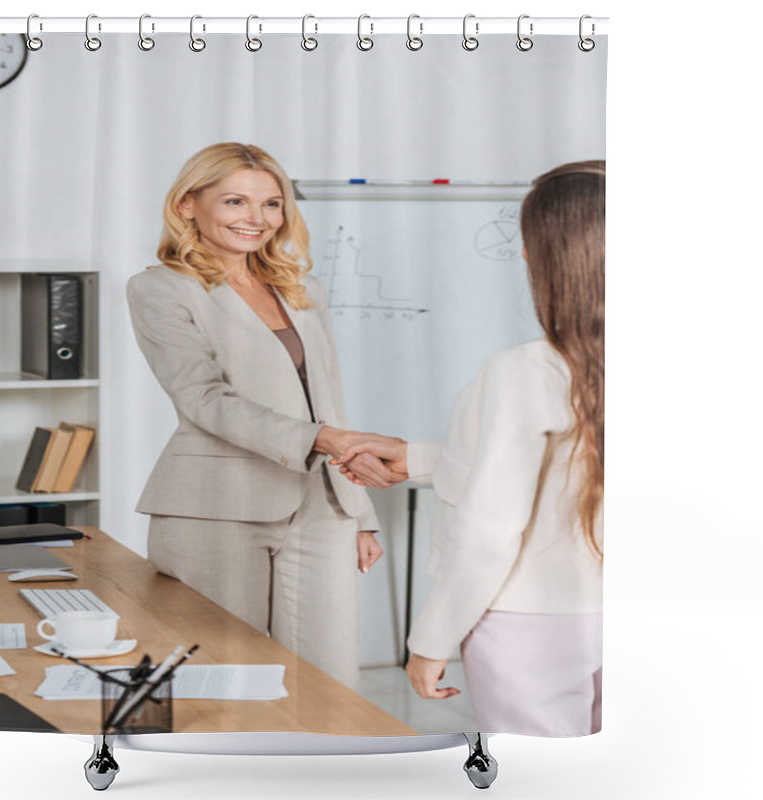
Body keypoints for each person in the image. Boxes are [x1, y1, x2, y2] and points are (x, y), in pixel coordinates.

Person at [334, 160, 605, 735]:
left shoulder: (525, 370)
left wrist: (431, 639)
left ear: (547, 256)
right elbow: (569, 468)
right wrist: (418, 457)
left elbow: (491, 527)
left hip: (531, 619)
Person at [127, 142, 389, 688]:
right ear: (187, 206)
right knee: (229, 678)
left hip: (321, 504)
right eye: (235, 202)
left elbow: (329, 402)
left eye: (272, 204)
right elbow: (203, 399)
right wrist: (322, 437)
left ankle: (314, 774)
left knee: (328, 679)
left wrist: (359, 512)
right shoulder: (160, 289)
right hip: (217, 506)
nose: (258, 219)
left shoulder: (301, 289)